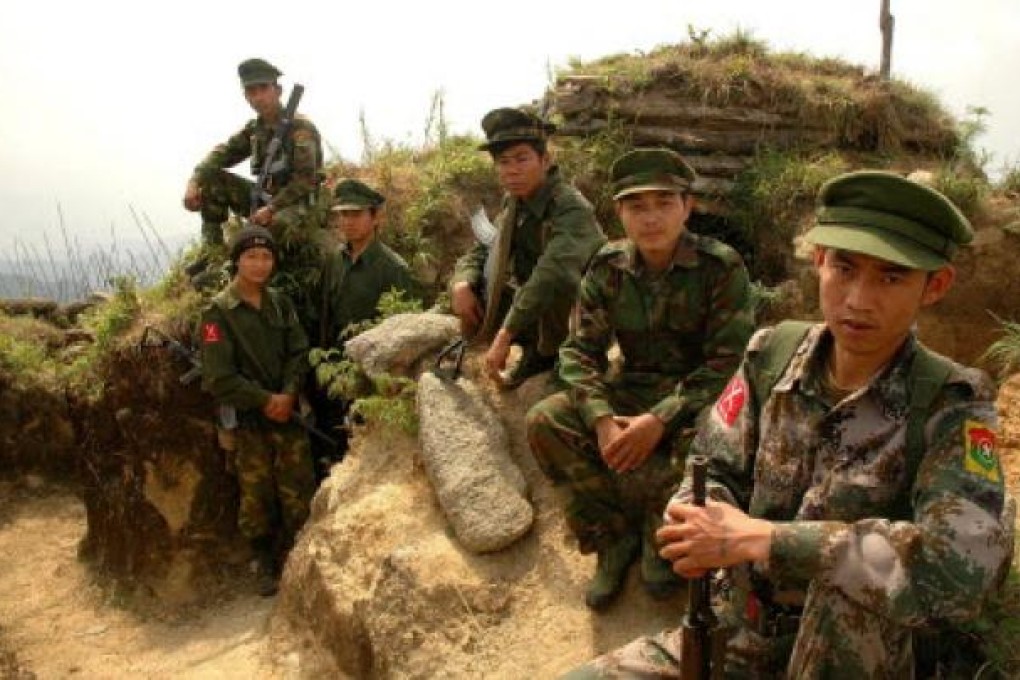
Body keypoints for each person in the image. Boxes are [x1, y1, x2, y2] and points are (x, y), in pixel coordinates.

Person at [568, 170, 1016, 677]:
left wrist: (767, 540)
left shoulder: (951, 403)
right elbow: (712, 464)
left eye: (891, 277)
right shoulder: (770, 353)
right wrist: (695, 519)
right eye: (845, 268)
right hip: (735, 634)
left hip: (854, 656)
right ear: (820, 261)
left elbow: (961, 572)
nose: (859, 299)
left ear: (935, 285)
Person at [527, 148, 755, 610]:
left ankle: (661, 534)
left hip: (694, 395)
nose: (651, 218)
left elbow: (729, 363)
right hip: (630, 384)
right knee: (544, 420)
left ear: (687, 207)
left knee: (709, 440)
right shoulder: (608, 267)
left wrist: (660, 419)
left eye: (664, 203)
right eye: (637, 206)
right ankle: (611, 537)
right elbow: (578, 352)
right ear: (620, 213)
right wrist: (601, 419)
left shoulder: (721, 267)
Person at [449, 107, 606, 389]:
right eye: (504, 161)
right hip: (542, 310)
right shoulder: (514, 204)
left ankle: (572, 358)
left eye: (522, 159)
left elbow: (552, 274)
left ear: (545, 160)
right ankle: (539, 352)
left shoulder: (569, 207)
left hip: (583, 313)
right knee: (481, 286)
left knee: (551, 287)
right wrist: (462, 282)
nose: (512, 170)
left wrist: (506, 332)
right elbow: (485, 248)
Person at [199, 225, 315, 597]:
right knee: (256, 494)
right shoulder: (218, 312)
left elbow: (299, 352)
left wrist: (288, 392)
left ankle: (300, 559)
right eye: (251, 256)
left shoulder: (281, 302)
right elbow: (219, 378)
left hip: (287, 414)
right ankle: (263, 562)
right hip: (250, 421)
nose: (260, 264)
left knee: (299, 489)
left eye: (266, 256)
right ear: (237, 261)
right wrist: (266, 401)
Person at [305, 178, 421, 477]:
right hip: (335, 371)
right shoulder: (334, 261)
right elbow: (326, 314)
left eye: (356, 214)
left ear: (375, 217)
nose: (348, 222)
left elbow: (407, 331)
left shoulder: (392, 269)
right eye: (342, 215)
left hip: (373, 376)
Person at [183, 58, 324, 287]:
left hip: (297, 203)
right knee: (212, 181)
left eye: (264, 89)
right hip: (266, 200)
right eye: (251, 91)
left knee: (266, 229)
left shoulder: (300, 129)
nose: (258, 97)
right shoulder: (255, 129)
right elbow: (221, 154)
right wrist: (195, 180)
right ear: (245, 96)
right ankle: (212, 254)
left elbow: (306, 180)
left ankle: (229, 273)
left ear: (277, 91)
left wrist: (271, 208)